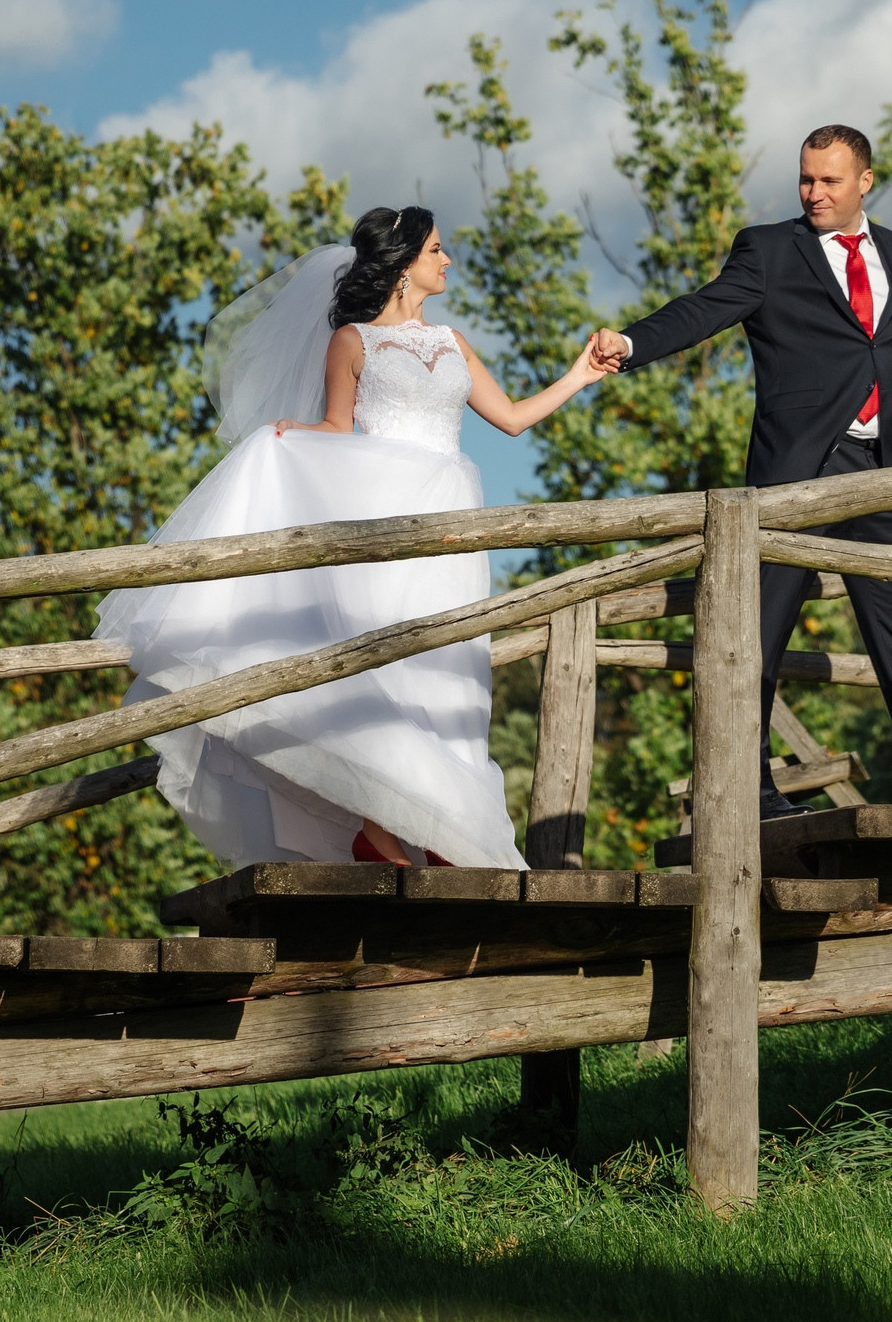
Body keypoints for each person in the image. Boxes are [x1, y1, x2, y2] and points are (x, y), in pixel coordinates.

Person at [98, 206, 611, 871]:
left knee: (452, 671)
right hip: (385, 514)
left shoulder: (453, 343)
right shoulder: (353, 341)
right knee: (392, 665)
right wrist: (284, 437)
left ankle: (441, 826)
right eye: (436, 249)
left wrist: (580, 375)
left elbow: (510, 418)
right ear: (403, 268)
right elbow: (339, 427)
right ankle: (384, 826)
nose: (447, 260)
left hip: (453, 516)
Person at [590, 124, 892, 813]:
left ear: (864, 181)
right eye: (806, 179)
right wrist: (630, 343)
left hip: (882, 471)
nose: (813, 193)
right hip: (796, 469)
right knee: (758, 631)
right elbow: (703, 310)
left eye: (830, 181)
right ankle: (750, 788)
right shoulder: (770, 250)